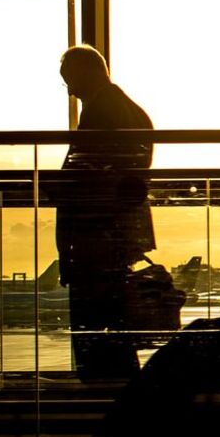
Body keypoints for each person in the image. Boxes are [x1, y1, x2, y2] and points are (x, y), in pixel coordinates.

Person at [54, 44, 156, 380]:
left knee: (96, 339)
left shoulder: (104, 113)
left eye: (70, 79)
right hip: (113, 239)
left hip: (95, 241)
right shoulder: (130, 110)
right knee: (115, 337)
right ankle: (119, 403)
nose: (68, 88)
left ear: (88, 71)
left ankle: (104, 405)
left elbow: (93, 178)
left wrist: (59, 188)